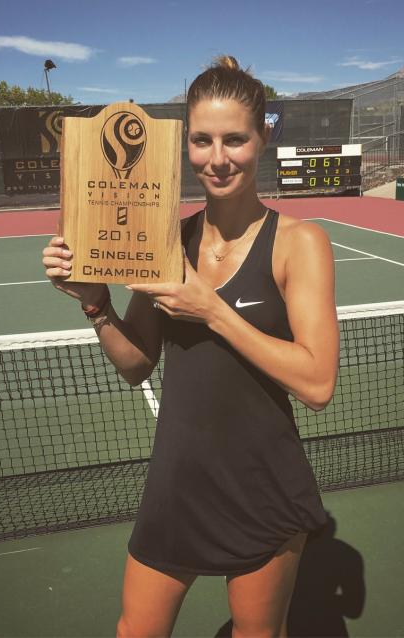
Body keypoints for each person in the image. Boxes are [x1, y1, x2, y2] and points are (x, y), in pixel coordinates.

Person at [42, 55, 339, 638]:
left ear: (263, 138)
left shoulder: (300, 243)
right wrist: (95, 303)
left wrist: (212, 311)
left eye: (235, 139)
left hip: (263, 483)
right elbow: (135, 365)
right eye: (202, 141)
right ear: (186, 145)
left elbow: (317, 384)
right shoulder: (165, 240)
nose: (218, 158)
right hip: (178, 479)